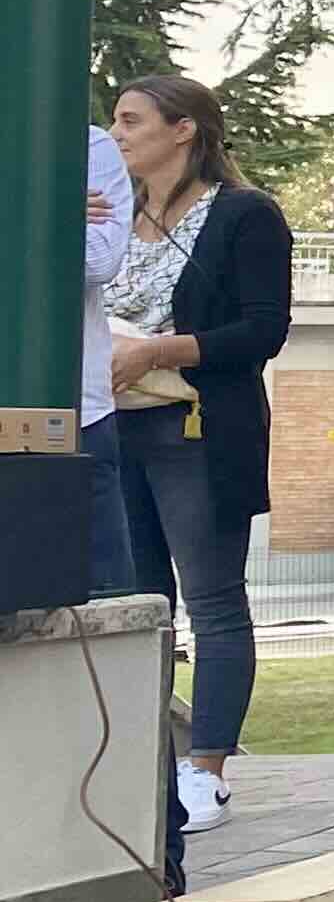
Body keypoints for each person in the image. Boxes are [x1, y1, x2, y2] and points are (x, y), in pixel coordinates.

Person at [99, 76, 293, 832]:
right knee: (138, 606)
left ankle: (205, 770)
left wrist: (155, 352)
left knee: (212, 602)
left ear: (183, 130)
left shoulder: (245, 215)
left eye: (130, 120)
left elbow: (260, 332)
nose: (116, 133)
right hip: (116, 431)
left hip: (199, 432)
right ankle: (141, 761)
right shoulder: (113, 217)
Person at [78, 123, 130, 604]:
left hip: (78, 417)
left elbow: (97, 262)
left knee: (102, 610)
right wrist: (47, 208)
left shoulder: (88, 145)